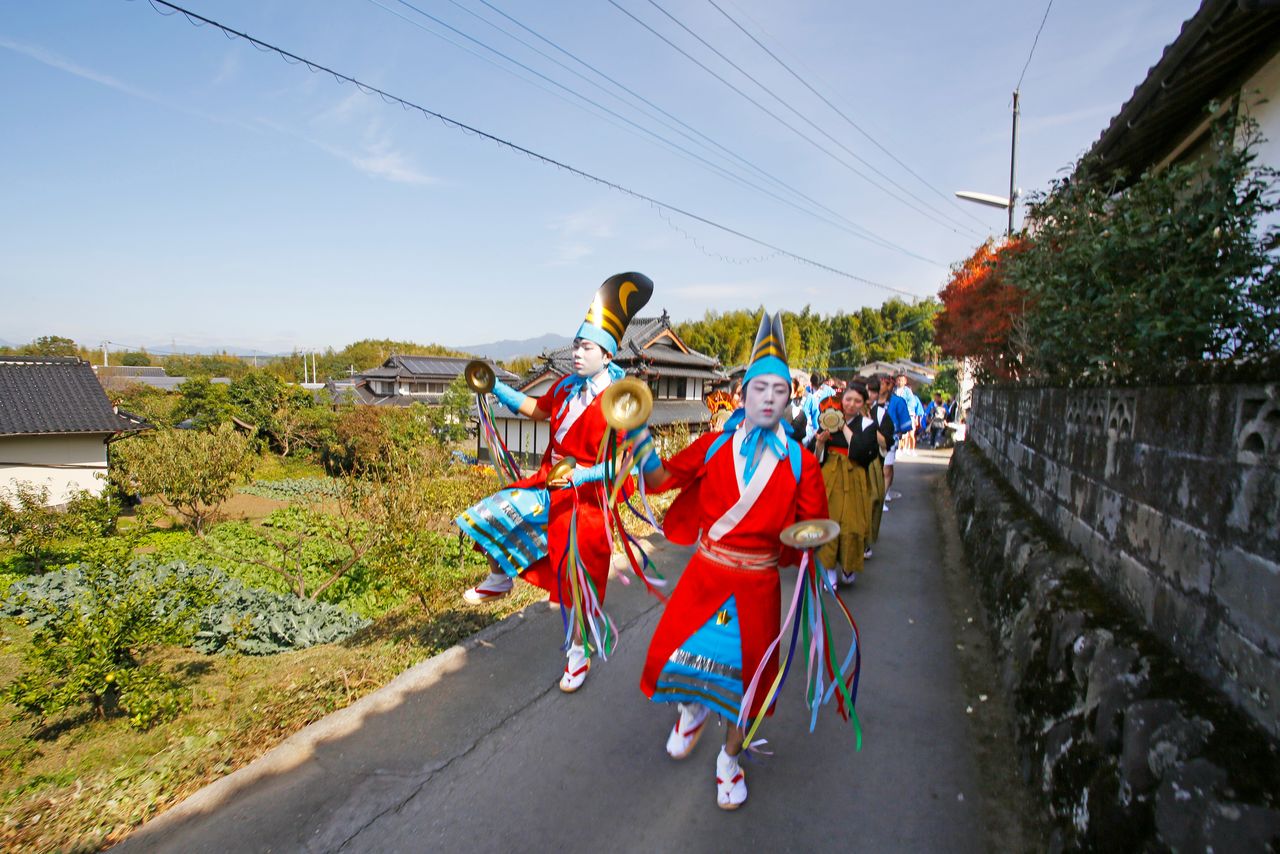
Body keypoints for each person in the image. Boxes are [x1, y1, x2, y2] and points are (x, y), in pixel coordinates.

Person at [633, 311, 830, 810]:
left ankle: (729, 760)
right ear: (742, 394)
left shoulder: (803, 463)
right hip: (706, 573)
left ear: (790, 399)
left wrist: (809, 546)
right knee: (673, 655)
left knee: (751, 685)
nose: (768, 397)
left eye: (778, 390)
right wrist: (638, 439)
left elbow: (814, 528)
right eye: (758, 387)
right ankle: (692, 708)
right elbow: (659, 481)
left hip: (760, 583)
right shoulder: (713, 445)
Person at [457, 272, 654, 692]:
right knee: (496, 512)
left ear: (606, 352)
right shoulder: (566, 386)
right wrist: (499, 388)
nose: (577, 353)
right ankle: (500, 576)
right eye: (576, 344)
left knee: (577, 583)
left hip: (588, 501)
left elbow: (626, 464)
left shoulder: (620, 399)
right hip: (550, 484)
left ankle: (578, 656)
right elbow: (536, 409)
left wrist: (584, 473)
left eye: (586, 347)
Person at [810, 383, 880, 586]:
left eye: (857, 401)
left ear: (863, 403)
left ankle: (848, 565)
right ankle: (828, 570)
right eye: (848, 399)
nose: (851, 404)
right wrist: (820, 443)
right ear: (842, 399)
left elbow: (860, 451)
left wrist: (843, 427)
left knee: (852, 525)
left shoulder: (867, 425)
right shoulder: (827, 419)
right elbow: (816, 458)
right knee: (829, 523)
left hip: (855, 477)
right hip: (830, 476)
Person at [865, 377, 894, 556]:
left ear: (877, 395)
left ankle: (866, 541)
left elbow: (886, 443)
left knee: (871, 502)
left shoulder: (881, 415)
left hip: (872, 464)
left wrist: (869, 426)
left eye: (871, 391)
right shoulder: (848, 412)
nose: (868, 395)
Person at [883, 375, 911, 500]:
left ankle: (884, 494)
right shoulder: (870, 401)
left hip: (891, 438)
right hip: (872, 438)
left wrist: (900, 432)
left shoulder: (898, 401)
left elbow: (905, 423)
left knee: (887, 467)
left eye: (887, 383)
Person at [801, 371, 836, 444]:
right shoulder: (807, 390)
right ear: (811, 383)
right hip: (809, 426)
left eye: (820, 385)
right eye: (816, 385)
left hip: (824, 424)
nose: (818, 387)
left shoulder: (830, 392)